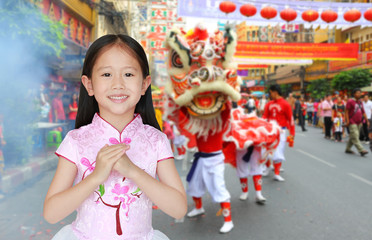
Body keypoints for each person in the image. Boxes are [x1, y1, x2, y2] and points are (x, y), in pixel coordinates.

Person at [43, 34, 187, 240]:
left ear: (145, 84)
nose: (118, 84)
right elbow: (51, 213)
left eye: (128, 74)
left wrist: (133, 171)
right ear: (89, 84)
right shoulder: (75, 141)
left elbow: (179, 209)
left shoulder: (156, 141)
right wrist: (97, 177)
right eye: (106, 74)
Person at [262, 84, 295, 181]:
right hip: (269, 131)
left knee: (279, 151)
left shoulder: (285, 104)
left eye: (270, 92)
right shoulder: (269, 104)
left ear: (274, 92)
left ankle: (277, 173)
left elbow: (291, 120)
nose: (269, 94)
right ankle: (267, 168)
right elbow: (265, 117)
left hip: (281, 132)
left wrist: (292, 134)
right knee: (266, 151)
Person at [345, 88, 369, 156]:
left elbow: (363, 111)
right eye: (357, 93)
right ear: (354, 94)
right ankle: (361, 150)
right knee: (355, 136)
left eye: (360, 93)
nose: (359, 94)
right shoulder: (350, 101)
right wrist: (347, 121)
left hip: (359, 122)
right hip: (352, 121)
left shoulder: (360, 102)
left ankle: (348, 149)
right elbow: (346, 111)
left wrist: (366, 120)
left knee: (353, 136)